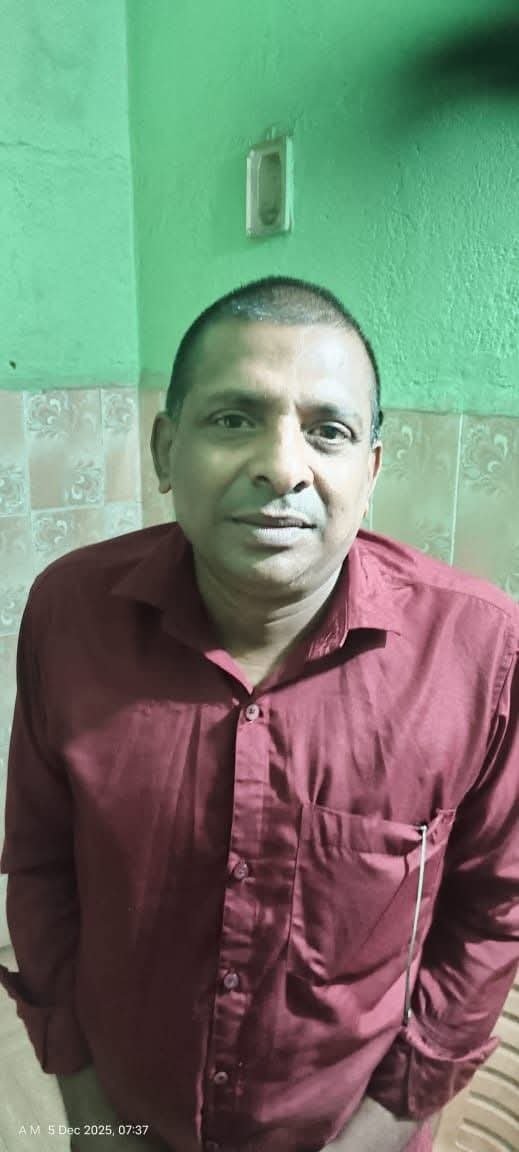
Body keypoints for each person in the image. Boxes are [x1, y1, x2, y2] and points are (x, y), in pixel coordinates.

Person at [0, 276, 517, 1152]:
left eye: (328, 431)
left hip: (349, 1128)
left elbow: (492, 912)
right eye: (234, 418)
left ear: (371, 469)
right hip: (129, 1110)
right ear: (166, 451)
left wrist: (383, 1126)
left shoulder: (478, 651)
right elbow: (44, 868)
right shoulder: (71, 613)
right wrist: (87, 1104)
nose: (282, 466)